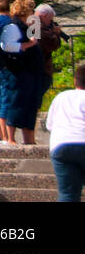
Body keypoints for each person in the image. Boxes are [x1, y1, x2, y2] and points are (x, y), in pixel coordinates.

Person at [0, 0, 44, 145]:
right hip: (18, 70)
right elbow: (6, 46)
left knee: (31, 103)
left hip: (32, 69)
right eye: (31, 9)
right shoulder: (13, 25)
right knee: (16, 101)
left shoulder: (31, 24)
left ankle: (28, 138)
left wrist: (35, 26)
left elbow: (36, 40)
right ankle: (11, 138)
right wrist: (27, 45)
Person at [45, 63, 85, 201]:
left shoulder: (61, 96)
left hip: (61, 145)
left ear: (75, 80)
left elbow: (49, 125)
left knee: (67, 194)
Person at [0, 0, 16, 144]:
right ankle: (7, 138)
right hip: (7, 64)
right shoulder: (8, 22)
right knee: (6, 100)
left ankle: (1, 136)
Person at [34, 3, 66, 110]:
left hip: (37, 67)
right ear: (44, 16)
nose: (51, 22)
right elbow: (52, 45)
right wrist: (56, 33)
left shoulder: (32, 23)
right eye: (50, 19)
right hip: (41, 68)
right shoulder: (37, 26)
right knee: (35, 100)